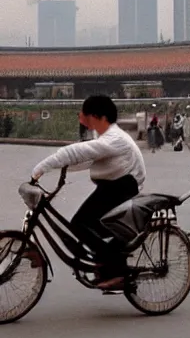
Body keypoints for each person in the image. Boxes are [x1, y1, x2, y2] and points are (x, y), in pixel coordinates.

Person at [31, 95, 146, 288]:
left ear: (98, 116)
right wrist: (61, 168)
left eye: (85, 114)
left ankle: (115, 269)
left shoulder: (114, 138)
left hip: (124, 185)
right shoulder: (106, 136)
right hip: (114, 183)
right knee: (93, 224)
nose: (82, 118)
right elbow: (88, 159)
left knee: (80, 222)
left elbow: (77, 152)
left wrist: (41, 168)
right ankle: (110, 258)